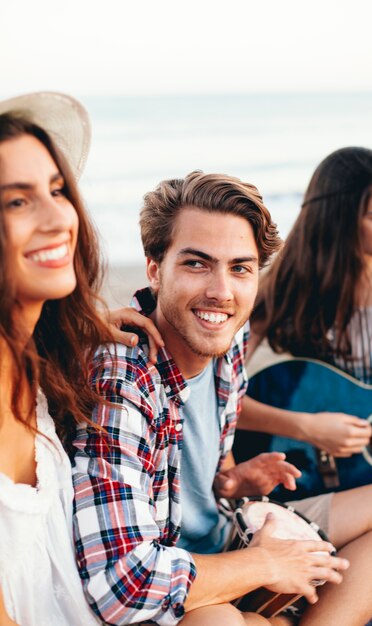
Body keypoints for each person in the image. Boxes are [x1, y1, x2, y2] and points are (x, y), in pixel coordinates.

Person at [72, 170, 372, 626]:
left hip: (228, 529)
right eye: (196, 263)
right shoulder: (122, 381)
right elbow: (123, 586)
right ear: (155, 269)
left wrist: (231, 480)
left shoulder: (229, 336)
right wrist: (269, 564)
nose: (222, 291)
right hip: (184, 572)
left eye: (240, 268)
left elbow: (199, 462)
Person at [236, 146, 372, 622]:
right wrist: (306, 428)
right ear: (340, 220)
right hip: (327, 475)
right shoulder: (296, 283)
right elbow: (219, 394)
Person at [0, 92, 160, 626]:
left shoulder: (42, 362)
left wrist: (89, 327)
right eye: (16, 201)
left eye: (58, 190)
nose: (58, 218)